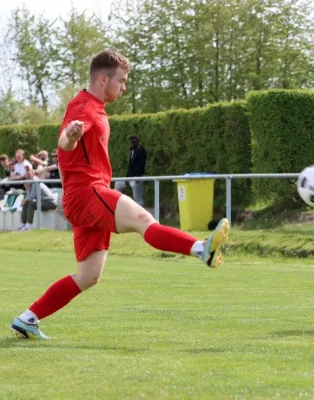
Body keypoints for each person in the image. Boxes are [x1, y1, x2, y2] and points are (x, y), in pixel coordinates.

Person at [11, 50, 230, 340]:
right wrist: (71, 136)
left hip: (81, 198)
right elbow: (65, 142)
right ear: (103, 79)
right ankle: (201, 249)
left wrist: (72, 138)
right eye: (122, 80)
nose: (124, 87)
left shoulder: (94, 107)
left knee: (89, 276)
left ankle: (28, 318)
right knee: (142, 219)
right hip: (88, 192)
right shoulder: (84, 108)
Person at [115, 135, 146, 206]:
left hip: (137, 178)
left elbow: (140, 166)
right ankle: (117, 204)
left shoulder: (140, 151)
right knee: (118, 183)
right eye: (131, 142)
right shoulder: (132, 152)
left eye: (133, 142)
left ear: (137, 142)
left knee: (137, 198)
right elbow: (130, 167)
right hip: (130, 177)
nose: (132, 143)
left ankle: (140, 213)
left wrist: (137, 179)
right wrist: (126, 178)